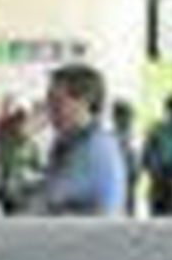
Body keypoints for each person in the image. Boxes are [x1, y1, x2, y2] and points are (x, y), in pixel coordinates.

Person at [40, 63, 129, 214]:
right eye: (48, 101)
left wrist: (20, 137)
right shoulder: (70, 142)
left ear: (84, 102)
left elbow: (45, 198)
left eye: (57, 101)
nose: (49, 109)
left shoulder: (95, 147)